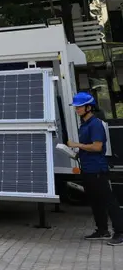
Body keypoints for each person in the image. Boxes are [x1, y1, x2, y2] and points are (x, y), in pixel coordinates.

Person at [67, 92, 123, 246]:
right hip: (88, 169)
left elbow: (97, 147)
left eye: (79, 107)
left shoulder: (95, 124)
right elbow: (89, 146)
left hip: (97, 169)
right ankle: (102, 230)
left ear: (88, 107)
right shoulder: (84, 124)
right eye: (76, 107)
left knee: (108, 200)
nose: (76, 109)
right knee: (95, 201)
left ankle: (120, 232)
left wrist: (77, 145)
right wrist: (78, 152)